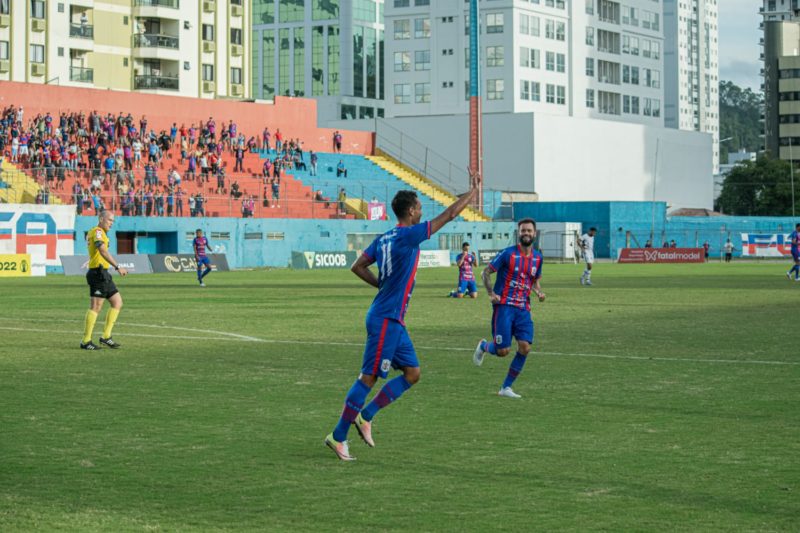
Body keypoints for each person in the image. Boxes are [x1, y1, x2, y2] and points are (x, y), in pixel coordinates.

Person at [324, 172, 480, 461]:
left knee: (412, 373)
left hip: (392, 319)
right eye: (419, 208)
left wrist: (381, 285)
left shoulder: (385, 237)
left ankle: (366, 416)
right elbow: (450, 215)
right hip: (386, 318)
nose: (422, 212)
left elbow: (358, 266)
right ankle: (338, 436)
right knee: (368, 378)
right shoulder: (409, 235)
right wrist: (473, 191)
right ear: (410, 211)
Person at [472, 218, 545, 399]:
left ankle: (506, 387)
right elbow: (485, 272)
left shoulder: (538, 258)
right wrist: (491, 293)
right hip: (504, 306)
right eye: (523, 230)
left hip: (523, 308)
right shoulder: (508, 254)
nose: (526, 233)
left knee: (525, 347)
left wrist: (538, 292)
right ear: (518, 233)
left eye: (529, 230)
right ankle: (484, 346)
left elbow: (534, 281)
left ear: (534, 233)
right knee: (502, 351)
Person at [80, 211, 128, 350]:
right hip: (97, 273)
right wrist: (117, 266)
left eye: (113, 221)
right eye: (109, 220)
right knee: (96, 306)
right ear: (101, 219)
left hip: (104, 273)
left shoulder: (101, 233)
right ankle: (86, 341)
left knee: (117, 302)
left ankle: (106, 337)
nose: (111, 223)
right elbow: (102, 250)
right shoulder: (98, 232)